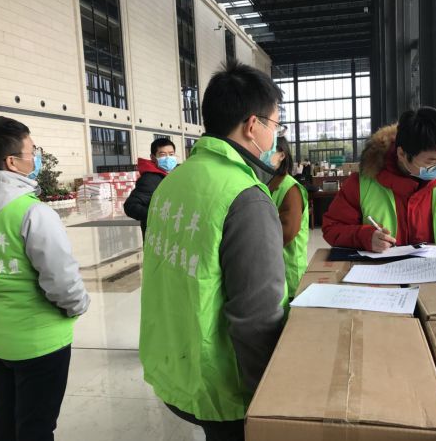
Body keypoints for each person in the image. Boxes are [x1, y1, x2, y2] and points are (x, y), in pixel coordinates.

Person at [139, 61, 287, 441]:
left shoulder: (173, 182)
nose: (275, 136)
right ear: (252, 125)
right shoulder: (246, 197)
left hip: (176, 364)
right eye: (275, 125)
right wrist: (269, 398)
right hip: (223, 384)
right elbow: (256, 314)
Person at [0, 116, 90, 441]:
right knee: (36, 425)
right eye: (32, 151)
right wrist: (78, 306)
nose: (35, 156)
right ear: (12, 161)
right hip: (41, 342)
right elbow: (62, 280)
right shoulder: (32, 212)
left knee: (3, 416)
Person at [322, 106, 436, 252]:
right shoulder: (363, 183)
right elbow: (333, 227)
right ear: (402, 154)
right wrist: (365, 237)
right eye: (431, 161)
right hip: (385, 277)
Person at [268, 136, 309, 299]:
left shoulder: (290, 189)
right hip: (272, 270)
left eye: (269, 150)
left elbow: (287, 232)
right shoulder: (268, 183)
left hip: (289, 273)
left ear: (282, 155)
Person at [124, 138, 177, 238]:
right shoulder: (149, 179)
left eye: (171, 154)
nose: (168, 158)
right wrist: (157, 215)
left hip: (171, 233)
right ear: (153, 157)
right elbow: (130, 206)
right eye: (162, 154)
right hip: (157, 236)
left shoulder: (173, 175)